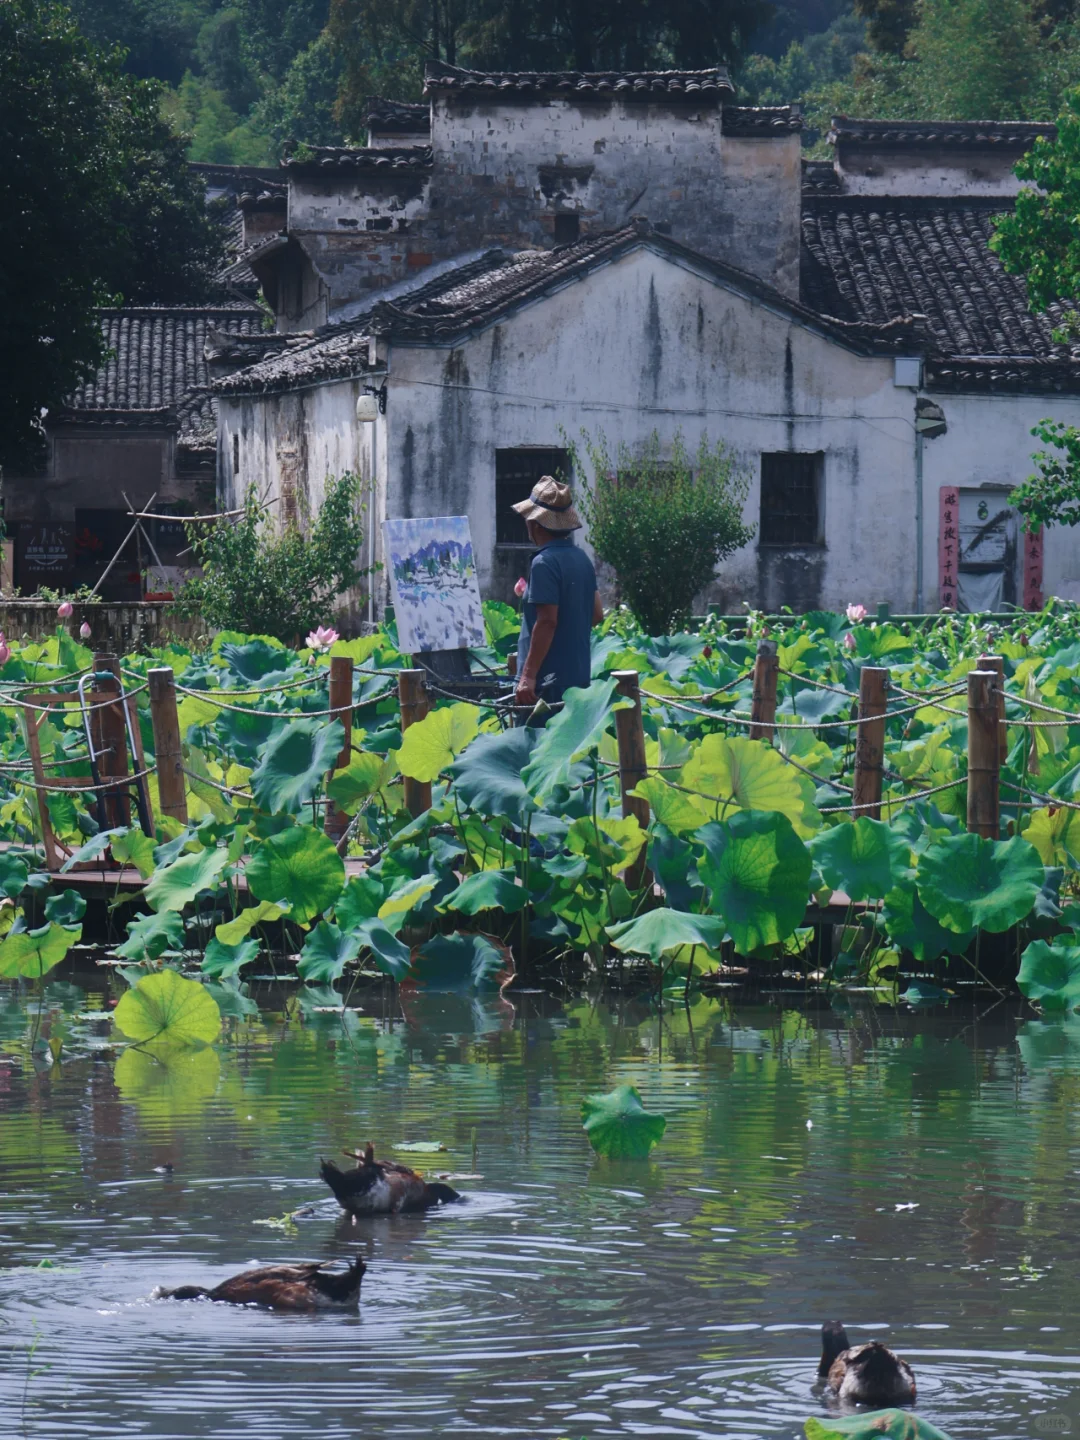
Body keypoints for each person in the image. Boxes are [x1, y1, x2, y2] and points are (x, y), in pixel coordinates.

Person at [512, 476, 603, 707]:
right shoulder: (582, 558)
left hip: (546, 684)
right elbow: (597, 615)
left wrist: (528, 676)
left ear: (534, 523)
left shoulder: (544, 562)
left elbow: (547, 622)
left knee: (540, 741)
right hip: (578, 678)